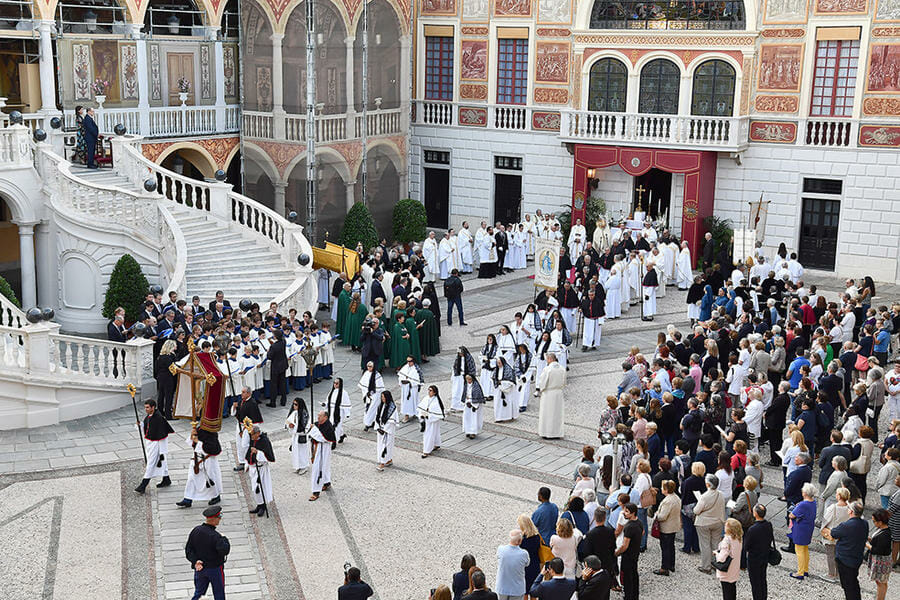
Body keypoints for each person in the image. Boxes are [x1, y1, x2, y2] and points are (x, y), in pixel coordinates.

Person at [825, 501, 868, 600]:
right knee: (853, 582)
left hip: (845, 559)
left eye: (848, 508)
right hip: (857, 557)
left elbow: (834, 533)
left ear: (851, 512)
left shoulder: (846, 525)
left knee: (848, 585)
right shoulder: (864, 523)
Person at [185, 505, 230, 600]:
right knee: (219, 594)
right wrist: (224, 539)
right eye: (219, 517)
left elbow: (188, 549)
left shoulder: (196, 530)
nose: (220, 520)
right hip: (215, 569)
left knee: (199, 593)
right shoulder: (216, 536)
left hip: (200, 568)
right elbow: (224, 550)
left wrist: (195, 561)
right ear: (214, 519)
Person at [135, 399, 174, 493]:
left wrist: (161, 451)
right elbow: (147, 426)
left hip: (157, 444)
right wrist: (141, 425)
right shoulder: (150, 416)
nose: (146, 409)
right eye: (145, 407)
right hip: (150, 443)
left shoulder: (159, 418)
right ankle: (166, 479)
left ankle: (143, 485)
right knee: (162, 462)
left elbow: (162, 433)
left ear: (153, 407)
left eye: (147, 407)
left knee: (151, 463)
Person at [177, 428, 223, 508]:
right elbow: (192, 443)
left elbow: (212, 448)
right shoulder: (199, 429)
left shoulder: (212, 432)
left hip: (208, 460)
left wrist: (197, 441)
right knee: (191, 478)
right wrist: (192, 435)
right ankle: (187, 499)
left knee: (210, 479)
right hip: (196, 459)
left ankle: (216, 496)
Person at [694, 473, 726, 573]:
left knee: (705, 545)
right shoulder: (721, 494)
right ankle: (715, 563)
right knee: (716, 543)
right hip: (718, 521)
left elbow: (696, 511)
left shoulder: (704, 496)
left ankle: (706, 567)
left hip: (704, 523)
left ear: (708, 484)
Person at [743, 504, 775, 600]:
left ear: (755, 514)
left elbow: (746, 546)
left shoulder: (752, 529)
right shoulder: (768, 525)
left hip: (754, 559)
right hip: (764, 556)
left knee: (755, 582)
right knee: (762, 579)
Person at [614, 502, 642, 600]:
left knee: (627, 578)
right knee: (634, 575)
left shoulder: (629, 527)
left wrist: (616, 553)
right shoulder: (639, 522)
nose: (624, 513)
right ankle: (635, 596)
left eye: (627, 511)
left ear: (633, 513)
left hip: (628, 555)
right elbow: (642, 533)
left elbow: (625, 546)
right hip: (635, 553)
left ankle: (628, 596)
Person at [245, 425, 274, 516]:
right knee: (254, 488)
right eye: (250, 435)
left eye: (253, 434)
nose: (251, 437)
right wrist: (248, 463)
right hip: (254, 467)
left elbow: (268, 456)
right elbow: (249, 452)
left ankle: (263, 506)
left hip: (261, 468)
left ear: (258, 433)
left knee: (261, 488)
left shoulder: (264, 441)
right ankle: (259, 504)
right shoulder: (253, 439)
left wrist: (258, 452)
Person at [654, 479, 681, 576]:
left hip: (666, 527)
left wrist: (657, 514)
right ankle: (671, 564)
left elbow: (662, 517)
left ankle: (664, 568)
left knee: (665, 547)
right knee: (671, 546)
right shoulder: (676, 498)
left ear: (666, 489)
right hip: (674, 525)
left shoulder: (667, 501)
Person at [537, 352, 566, 439]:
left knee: (547, 414)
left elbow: (542, 382)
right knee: (557, 414)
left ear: (550, 359)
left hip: (548, 393)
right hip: (558, 393)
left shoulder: (547, 369)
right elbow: (564, 382)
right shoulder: (562, 368)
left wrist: (541, 389)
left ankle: (547, 433)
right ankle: (556, 433)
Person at [308, 410, 336, 501]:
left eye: (320, 416)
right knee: (324, 467)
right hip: (317, 448)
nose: (318, 417)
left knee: (318, 468)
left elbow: (323, 438)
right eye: (318, 415)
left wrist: (313, 429)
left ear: (325, 417)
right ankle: (326, 482)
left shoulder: (329, 427)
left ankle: (316, 491)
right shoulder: (317, 424)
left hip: (323, 449)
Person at [495, 529, 530, 600]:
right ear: (520, 541)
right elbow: (527, 564)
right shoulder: (524, 554)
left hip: (502, 588)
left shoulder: (501, 549)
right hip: (517, 589)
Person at [868, 509, 893, 600]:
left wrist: (866, 544)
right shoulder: (884, 530)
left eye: (874, 521)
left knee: (880, 582)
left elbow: (877, 550)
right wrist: (870, 539)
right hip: (881, 560)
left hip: (881, 561)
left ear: (880, 522)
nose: (873, 523)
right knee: (882, 582)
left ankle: (880, 598)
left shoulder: (885, 535)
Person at [715, 518, 743, 600]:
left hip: (727, 569)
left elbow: (722, 558)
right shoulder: (739, 538)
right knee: (732, 589)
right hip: (735, 567)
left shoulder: (726, 540)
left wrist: (716, 553)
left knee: (726, 591)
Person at [284, 398, 310, 474]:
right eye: (293, 404)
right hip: (295, 436)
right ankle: (298, 466)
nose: (294, 406)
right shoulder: (294, 413)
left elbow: (306, 425)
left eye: (296, 404)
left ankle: (304, 466)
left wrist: (298, 428)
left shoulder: (304, 414)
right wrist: (290, 425)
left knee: (302, 452)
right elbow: (288, 421)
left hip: (301, 435)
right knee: (296, 452)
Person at [418, 385, 445, 458]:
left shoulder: (436, 401)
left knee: (429, 435)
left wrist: (429, 416)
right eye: (428, 390)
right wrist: (421, 415)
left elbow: (437, 413)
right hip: (426, 420)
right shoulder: (426, 398)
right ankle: (436, 444)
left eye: (430, 391)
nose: (429, 392)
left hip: (432, 421)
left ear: (434, 392)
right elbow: (420, 408)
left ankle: (426, 451)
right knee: (434, 433)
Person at [375, 390, 398, 471]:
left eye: (383, 397)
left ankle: (382, 463)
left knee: (386, 446)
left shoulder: (392, 408)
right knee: (381, 446)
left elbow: (392, 422)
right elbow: (378, 417)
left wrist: (385, 430)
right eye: (381, 397)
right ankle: (389, 460)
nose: (382, 399)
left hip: (387, 431)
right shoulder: (381, 406)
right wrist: (378, 427)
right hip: (380, 429)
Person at [517, 514, 542, 586]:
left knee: (525, 590)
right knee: (533, 590)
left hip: (525, 566)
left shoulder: (523, 539)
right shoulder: (537, 536)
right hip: (535, 564)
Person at [359, 362, 384, 432]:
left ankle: (368, 424)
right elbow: (363, 385)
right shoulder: (366, 373)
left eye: (370, 366)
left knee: (372, 409)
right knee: (367, 409)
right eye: (368, 366)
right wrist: (367, 394)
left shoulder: (377, 375)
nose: (369, 368)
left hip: (375, 396)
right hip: (367, 396)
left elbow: (379, 387)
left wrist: (372, 393)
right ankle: (369, 422)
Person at [462, 373, 486, 439]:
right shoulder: (466, 385)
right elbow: (464, 393)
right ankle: (467, 431)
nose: (468, 380)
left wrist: (473, 404)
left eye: (469, 379)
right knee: (467, 417)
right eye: (466, 379)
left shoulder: (476, 386)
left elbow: (478, 395)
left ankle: (473, 432)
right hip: (467, 403)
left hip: (473, 404)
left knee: (473, 418)